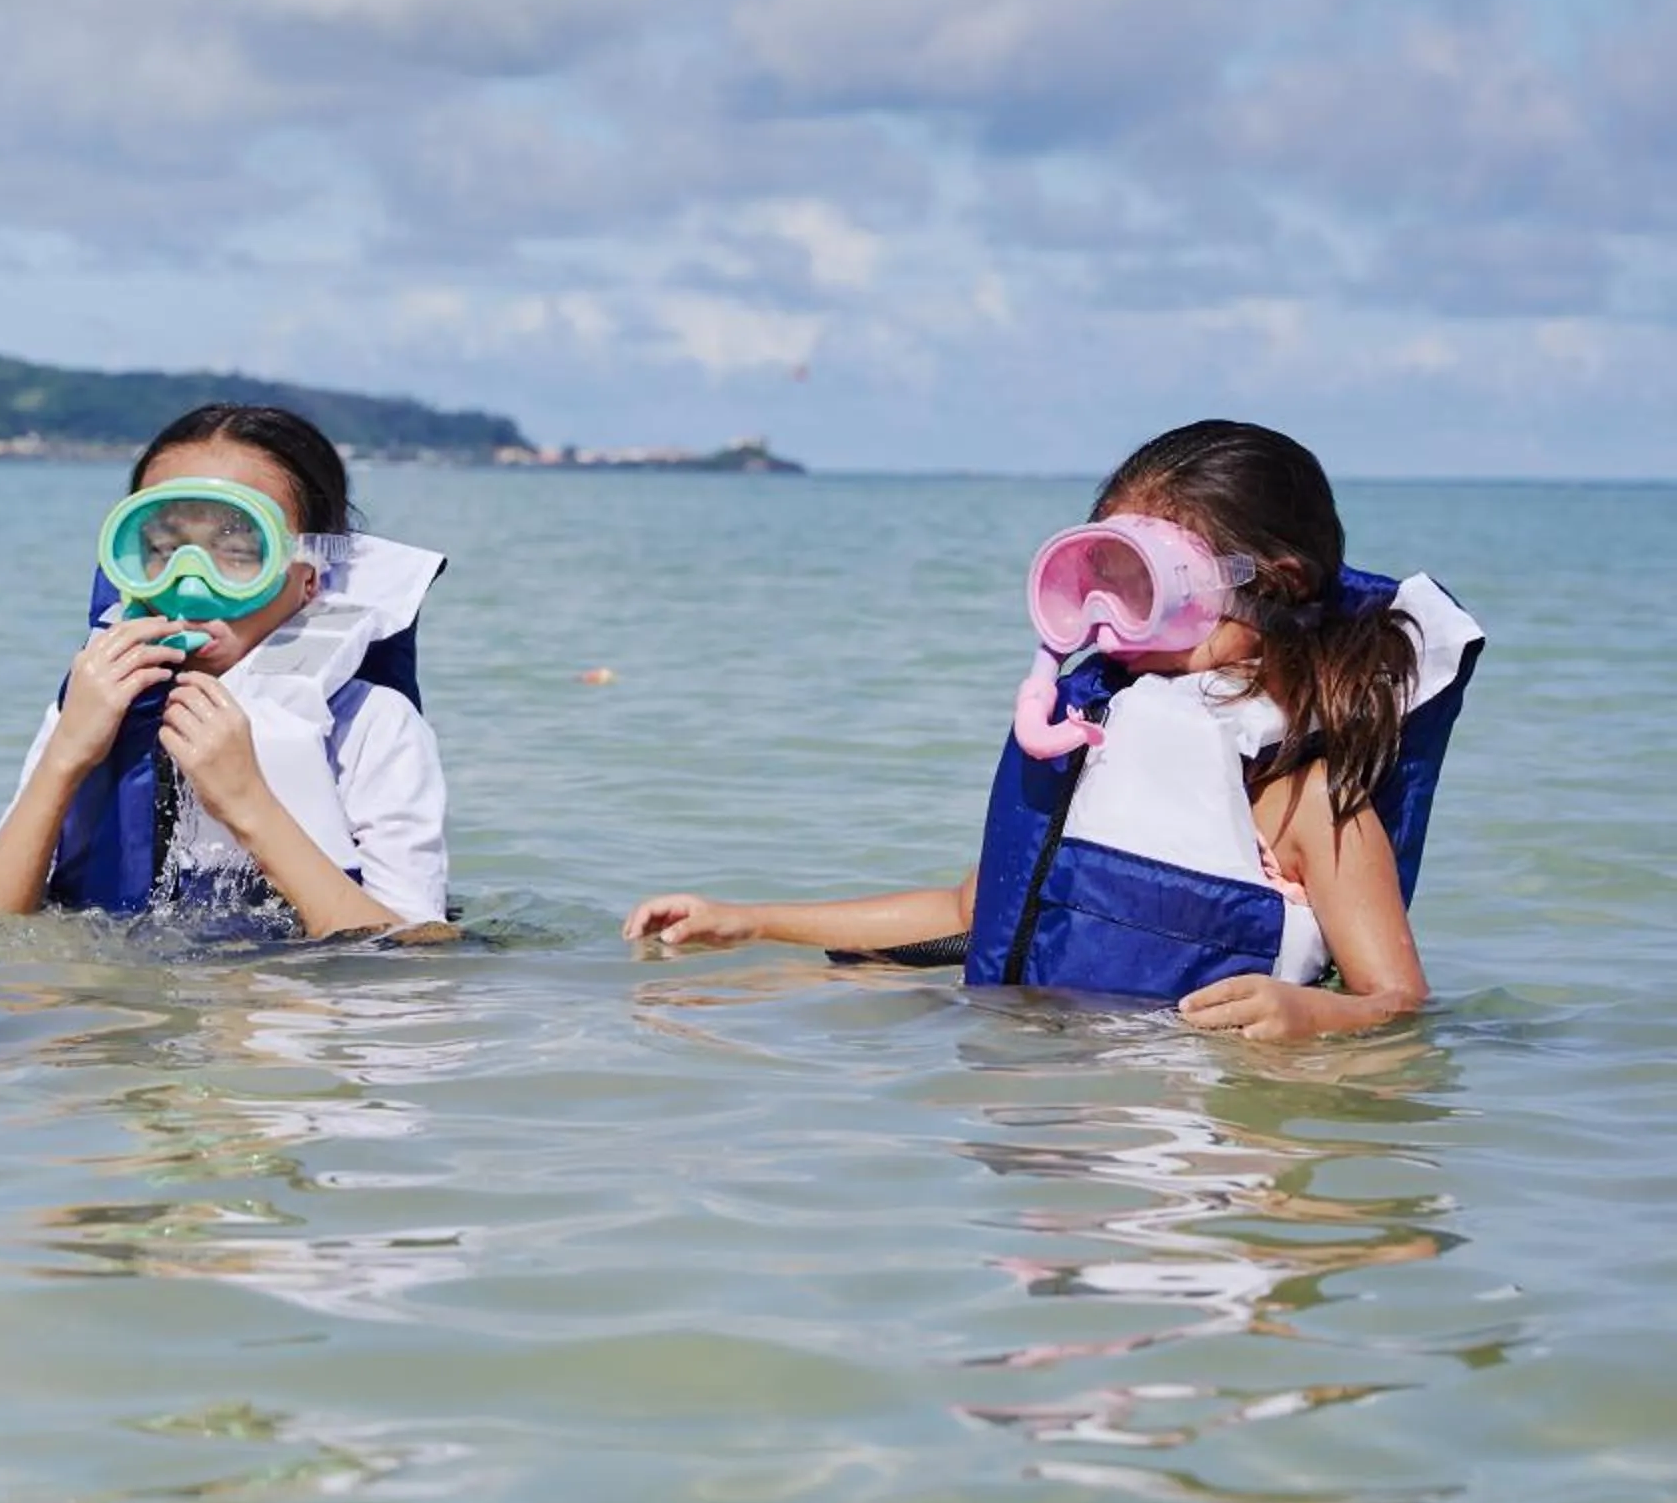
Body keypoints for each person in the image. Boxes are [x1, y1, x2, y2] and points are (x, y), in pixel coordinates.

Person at [624, 421, 1482, 1041]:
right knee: (727, 1005)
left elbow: (1399, 1005)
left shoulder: (1303, 798)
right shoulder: (1093, 738)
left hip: (1209, 1145)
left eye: (1144, 589)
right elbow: (968, 911)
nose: (1111, 621)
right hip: (1048, 1103)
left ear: (1274, 585)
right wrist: (751, 921)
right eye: (1096, 582)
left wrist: (1310, 1015)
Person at [0, 404, 449, 940]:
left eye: (239, 552)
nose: (190, 585)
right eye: (163, 549)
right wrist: (66, 756)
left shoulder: (374, 725)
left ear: (308, 579)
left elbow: (412, 964)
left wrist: (248, 802)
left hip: (289, 1009)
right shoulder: (93, 702)